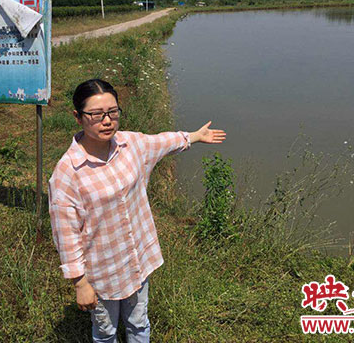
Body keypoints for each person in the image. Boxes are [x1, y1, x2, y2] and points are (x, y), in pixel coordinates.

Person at [48, 78, 226, 342]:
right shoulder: (67, 173)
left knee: (139, 324)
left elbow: (161, 142)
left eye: (112, 112)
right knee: (105, 332)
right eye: (96, 114)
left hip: (136, 260)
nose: (107, 121)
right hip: (102, 271)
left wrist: (193, 137)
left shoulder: (130, 144)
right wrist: (80, 283)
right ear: (78, 117)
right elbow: (66, 235)